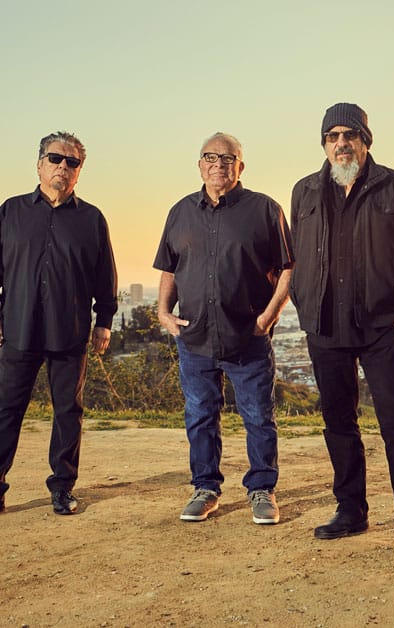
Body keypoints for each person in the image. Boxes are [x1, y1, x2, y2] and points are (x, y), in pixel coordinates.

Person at [289, 103, 394, 552]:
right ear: (324, 144)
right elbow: (296, 255)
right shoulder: (305, 191)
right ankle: (350, 510)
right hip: (325, 325)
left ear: (366, 141)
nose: (341, 143)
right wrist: (305, 303)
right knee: (338, 420)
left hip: (377, 324)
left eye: (350, 134)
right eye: (332, 136)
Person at [0, 131, 117, 521]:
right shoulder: (11, 211)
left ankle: (62, 488)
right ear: (39, 164)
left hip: (71, 330)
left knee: (68, 412)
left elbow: (104, 277)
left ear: (80, 171)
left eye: (72, 162)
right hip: (19, 330)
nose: (63, 167)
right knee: (6, 409)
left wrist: (104, 322)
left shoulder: (91, 219)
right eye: (56, 159)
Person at [153, 132, 293, 525]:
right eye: (210, 157)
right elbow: (169, 267)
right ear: (199, 164)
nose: (219, 164)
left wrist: (268, 316)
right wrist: (163, 311)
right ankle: (206, 488)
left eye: (228, 158)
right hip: (194, 338)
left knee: (258, 416)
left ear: (240, 166)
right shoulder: (180, 211)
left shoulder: (265, 210)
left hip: (247, 337)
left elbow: (288, 267)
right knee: (199, 415)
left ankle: (262, 490)